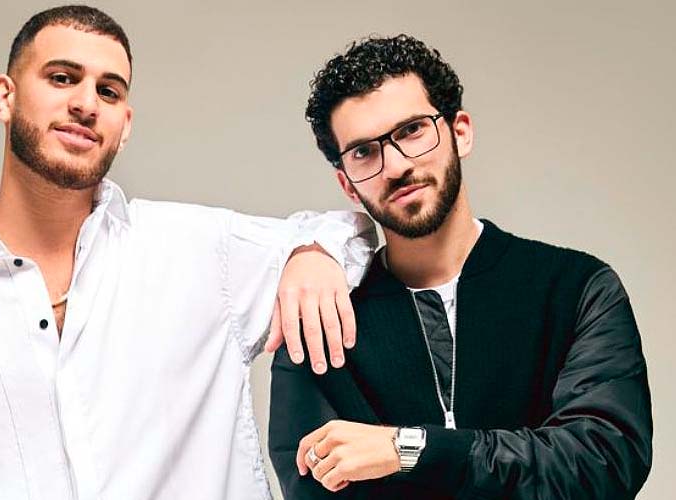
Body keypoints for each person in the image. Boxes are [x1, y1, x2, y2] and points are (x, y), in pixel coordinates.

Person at [0, 6, 377, 500]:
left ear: (125, 123)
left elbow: (351, 234)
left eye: (108, 91)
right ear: (4, 96)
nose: (86, 103)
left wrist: (310, 254)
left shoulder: (196, 254)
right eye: (62, 78)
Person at [268, 34, 652, 499]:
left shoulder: (575, 288)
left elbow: (603, 461)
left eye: (412, 130)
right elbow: (314, 488)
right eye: (364, 152)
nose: (395, 166)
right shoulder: (319, 321)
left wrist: (409, 449)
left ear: (460, 131)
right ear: (348, 184)